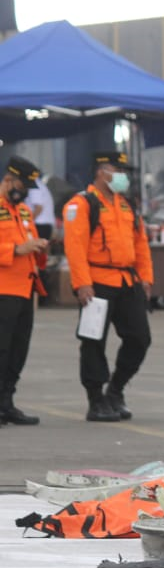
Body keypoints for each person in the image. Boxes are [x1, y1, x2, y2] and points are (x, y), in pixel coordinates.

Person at [63, 151, 154, 422]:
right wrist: (82, 284)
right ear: (103, 171)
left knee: (140, 338)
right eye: (119, 170)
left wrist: (146, 277)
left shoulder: (127, 204)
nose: (124, 177)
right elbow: (75, 247)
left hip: (127, 282)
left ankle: (115, 390)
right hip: (97, 283)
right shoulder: (81, 204)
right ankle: (95, 400)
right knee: (93, 342)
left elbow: (141, 243)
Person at [0, 156, 48, 425]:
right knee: (2, 349)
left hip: (25, 288)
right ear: (9, 179)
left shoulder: (24, 211)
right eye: (23, 184)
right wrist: (17, 250)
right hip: (3, 289)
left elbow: (26, 244)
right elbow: (15, 248)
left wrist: (38, 248)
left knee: (19, 349)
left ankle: (7, 402)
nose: (26, 190)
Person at [27, 173, 55, 241]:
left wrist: (28, 223)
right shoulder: (41, 185)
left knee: (35, 249)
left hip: (39, 224)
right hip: (45, 224)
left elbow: (39, 207)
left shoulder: (34, 186)